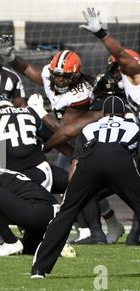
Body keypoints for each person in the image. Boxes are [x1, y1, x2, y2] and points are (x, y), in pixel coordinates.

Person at [0, 36, 125, 244]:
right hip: (74, 141)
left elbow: (64, 129)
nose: (59, 79)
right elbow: (29, 70)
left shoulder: (81, 93)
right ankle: (104, 226)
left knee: (79, 185)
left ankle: (92, 231)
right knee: (75, 185)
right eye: (57, 74)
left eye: (65, 76)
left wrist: (40, 114)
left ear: (75, 76)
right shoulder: (52, 74)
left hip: (88, 138)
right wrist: (11, 57)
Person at [31, 96, 140, 278]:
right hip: (120, 159)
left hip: (91, 162)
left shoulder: (90, 127)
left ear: (103, 113)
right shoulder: (134, 126)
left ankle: (39, 269)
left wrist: (73, 195)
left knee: (66, 214)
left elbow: (75, 162)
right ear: (124, 113)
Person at [80, 7, 140, 245]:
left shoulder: (134, 71)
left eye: (116, 67)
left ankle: (134, 236)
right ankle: (124, 234)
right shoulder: (124, 85)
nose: (113, 72)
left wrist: (101, 33)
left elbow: (122, 56)